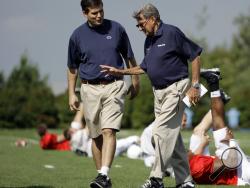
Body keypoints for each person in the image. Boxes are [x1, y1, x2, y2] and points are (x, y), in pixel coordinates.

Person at [100, 3, 203, 188]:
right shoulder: (149, 41)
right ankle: (185, 181)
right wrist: (120, 72)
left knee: (160, 132)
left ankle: (156, 178)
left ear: (153, 19)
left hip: (176, 88)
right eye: (138, 25)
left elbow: (195, 55)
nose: (140, 28)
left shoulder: (172, 33)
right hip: (159, 93)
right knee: (172, 135)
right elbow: (144, 67)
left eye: (141, 24)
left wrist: (195, 85)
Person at [67, 0, 140, 187]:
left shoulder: (117, 29)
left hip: (114, 85)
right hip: (89, 89)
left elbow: (130, 57)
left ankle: (104, 173)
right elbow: (72, 68)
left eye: (101, 11)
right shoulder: (77, 36)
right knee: (96, 135)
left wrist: (135, 82)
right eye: (94, 13)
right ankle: (102, 177)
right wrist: (71, 94)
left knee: (109, 130)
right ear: (85, 14)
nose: (99, 16)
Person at [188, 68, 250, 185]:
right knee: (214, 126)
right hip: (241, 173)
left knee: (216, 123)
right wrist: (232, 141)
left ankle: (213, 82)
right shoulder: (197, 168)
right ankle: (213, 82)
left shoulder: (191, 160)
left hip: (231, 162)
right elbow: (231, 163)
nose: (184, 149)